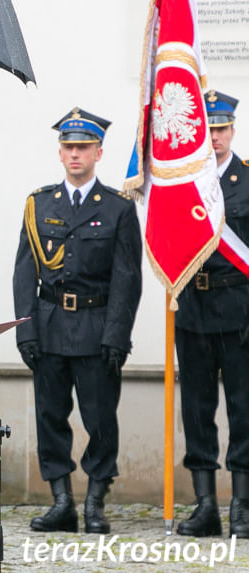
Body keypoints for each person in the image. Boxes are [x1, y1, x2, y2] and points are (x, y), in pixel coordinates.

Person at [12, 107, 142, 535]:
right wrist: (25, 330)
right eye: (68, 146)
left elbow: (127, 278)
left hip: (96, 326)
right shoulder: (39, 204)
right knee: (50, 416)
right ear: (60, 151)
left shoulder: (119, 208)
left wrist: (117, 335)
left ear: (99, 152)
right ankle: (62, 501)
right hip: (49, 326)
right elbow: (24, 273)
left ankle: (95, 502)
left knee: (101, 419)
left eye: (83, 147)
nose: (74, 154)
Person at [174, 90, 249, 539]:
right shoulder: (181, 184)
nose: (215, 136)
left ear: (231, 130)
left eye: (221, 128)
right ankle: (206, 506)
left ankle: (241, 505)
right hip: (193, 309)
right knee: (197, 411)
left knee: (243, 410)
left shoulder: (248, 180)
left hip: (239, 309)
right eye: (209, 128)